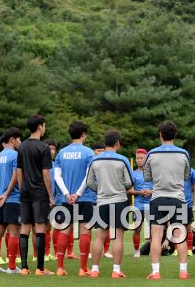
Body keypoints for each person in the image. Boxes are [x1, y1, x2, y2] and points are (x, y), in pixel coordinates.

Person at [144, 121, 190, 280]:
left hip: (158, 198)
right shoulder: (184, 153)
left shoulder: (151, 154)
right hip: (178, 198)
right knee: (180, 235)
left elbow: (147, 177)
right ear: (175, 135)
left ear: (160, 135)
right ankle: (183, 271)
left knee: (156, 236)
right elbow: (186, 176)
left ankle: (156, 272)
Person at [87, 130, 133, 279]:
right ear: (117, 143)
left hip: (101, 201)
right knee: (118, 237)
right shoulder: (122, 160)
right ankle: (116, 270)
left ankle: (94, 270)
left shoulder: (95, 160)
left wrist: (100, 189)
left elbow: (90, 183)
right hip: (119, 201)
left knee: (99, 237)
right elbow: (129, 182)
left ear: (104, 142)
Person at [54, 121, 95, 276]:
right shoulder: (88, 152)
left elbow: (58, 176)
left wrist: (66, 194)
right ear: (83, 134)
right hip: (84, 197)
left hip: (66, 199)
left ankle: (60, 268)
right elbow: (88, 176)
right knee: (85, 231)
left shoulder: (61, 153)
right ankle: (83, 269)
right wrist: (77, 194)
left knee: (64, 230)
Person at [17, 114, 55, 276]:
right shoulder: (43, 148)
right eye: (44, 126)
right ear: (40, 126)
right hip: (39, 192)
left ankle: (24, 268)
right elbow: (45, 173)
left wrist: (22, 189)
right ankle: (40, 268)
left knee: (25, 228)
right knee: (40, 228)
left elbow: (19, 171)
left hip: (25, 192)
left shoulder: (22, 146)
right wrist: (51, 195)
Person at [0, 128, 22, 273]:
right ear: (12, 140)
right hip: (12, 199)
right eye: (19, 140)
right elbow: (16, 176)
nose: (20, 142)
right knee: (14, 232)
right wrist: (6, 195)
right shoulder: (15, 155)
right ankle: (11, 267)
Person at [129, 148, 153, 258]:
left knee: (153, 229)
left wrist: (150, 192)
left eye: (141, 158)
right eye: (137, 158)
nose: (139, 160)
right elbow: (128, 191)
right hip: (138, 204)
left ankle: (153, 250)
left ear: (146, 159)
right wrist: (140, 192)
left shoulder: (153, 173)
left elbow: (159, 188)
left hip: (151, 204)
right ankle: (137, 250)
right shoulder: (133, 174)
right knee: (137, 228)